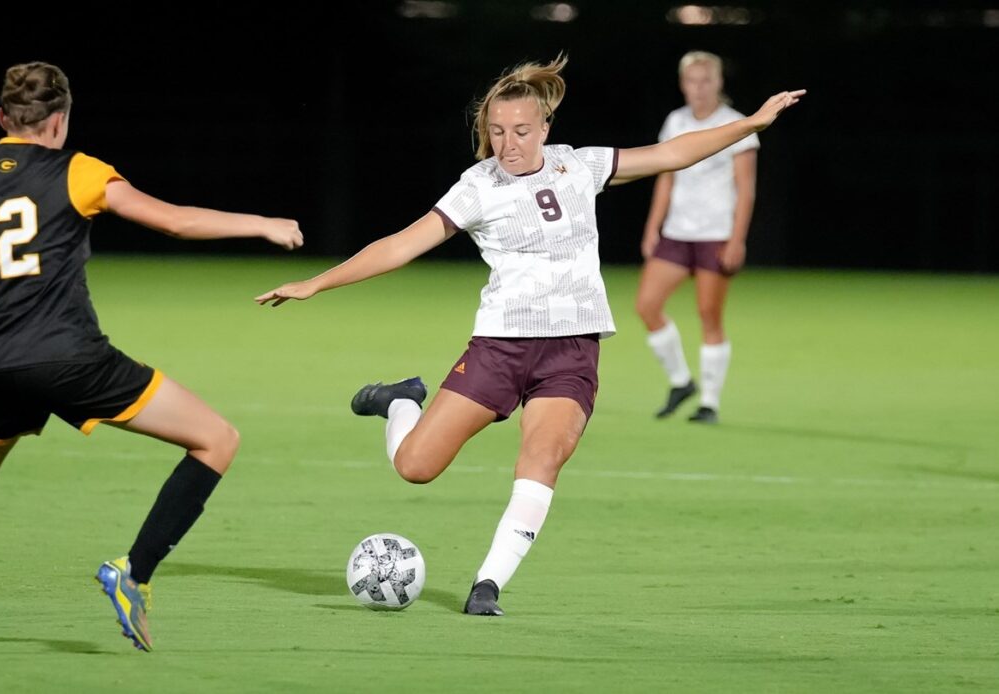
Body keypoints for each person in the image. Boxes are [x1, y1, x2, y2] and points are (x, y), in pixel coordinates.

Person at [256, 54, 802, 616]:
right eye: (495, 132)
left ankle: (487, 585)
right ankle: (400, 402)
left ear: (544, 128)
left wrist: (751, 125)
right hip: (499, 348)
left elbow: (672, 153)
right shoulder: (477, 186)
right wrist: (316, 283)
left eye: (520, 131)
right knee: (415, 467)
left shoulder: (579, 167)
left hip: (571, 351)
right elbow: (399, 244)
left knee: (541, 457)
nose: (507, 143)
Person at [0, 62, 303, 652]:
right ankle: (135, 573)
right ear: (61, 119)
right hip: (71, 359)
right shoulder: (79, 171)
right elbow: (172, 220)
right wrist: (261, 223)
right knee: (216, 439)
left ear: (2, 119)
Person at [637, 51, 761, 424]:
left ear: (719, 83)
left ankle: (709, 402)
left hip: (715, 234)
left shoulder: (736, 125)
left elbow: (746, 188)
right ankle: (680, 381)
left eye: (706, 80)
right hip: (677, 232)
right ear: (683, 84)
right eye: (692, 80)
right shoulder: (676, 121)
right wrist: (652, 225)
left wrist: (737, 239)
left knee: (709, 315)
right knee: (647, 305)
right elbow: (665, 175)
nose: (699, 87)